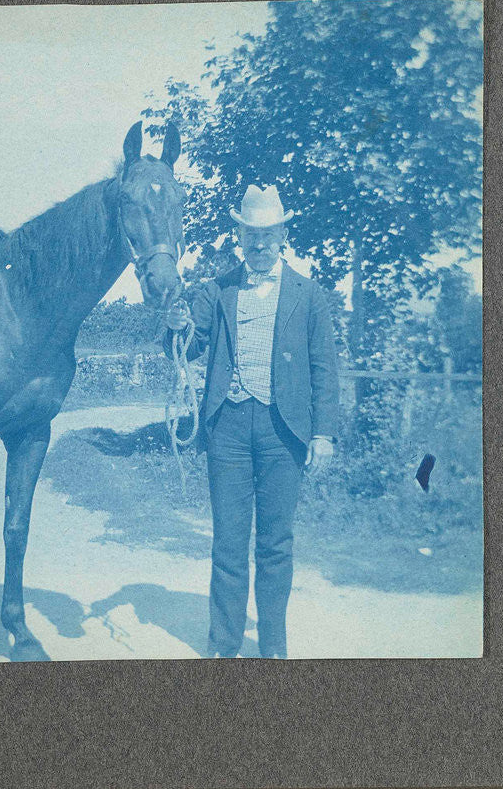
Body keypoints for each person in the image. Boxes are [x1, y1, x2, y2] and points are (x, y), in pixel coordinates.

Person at [164, 184, 339, 659]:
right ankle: (224, 645)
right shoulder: (217, 289)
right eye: (250, 235)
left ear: (283, 236)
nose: (259, 244)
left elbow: (324, 367)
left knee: (276, 544)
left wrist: (323, 433)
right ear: (240, 237)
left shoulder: (308, 294)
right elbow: (190, 346)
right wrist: (176, 326)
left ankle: (273, 647)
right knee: (228, 542)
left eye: (267, 234)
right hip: (229, 429)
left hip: (285, 431)